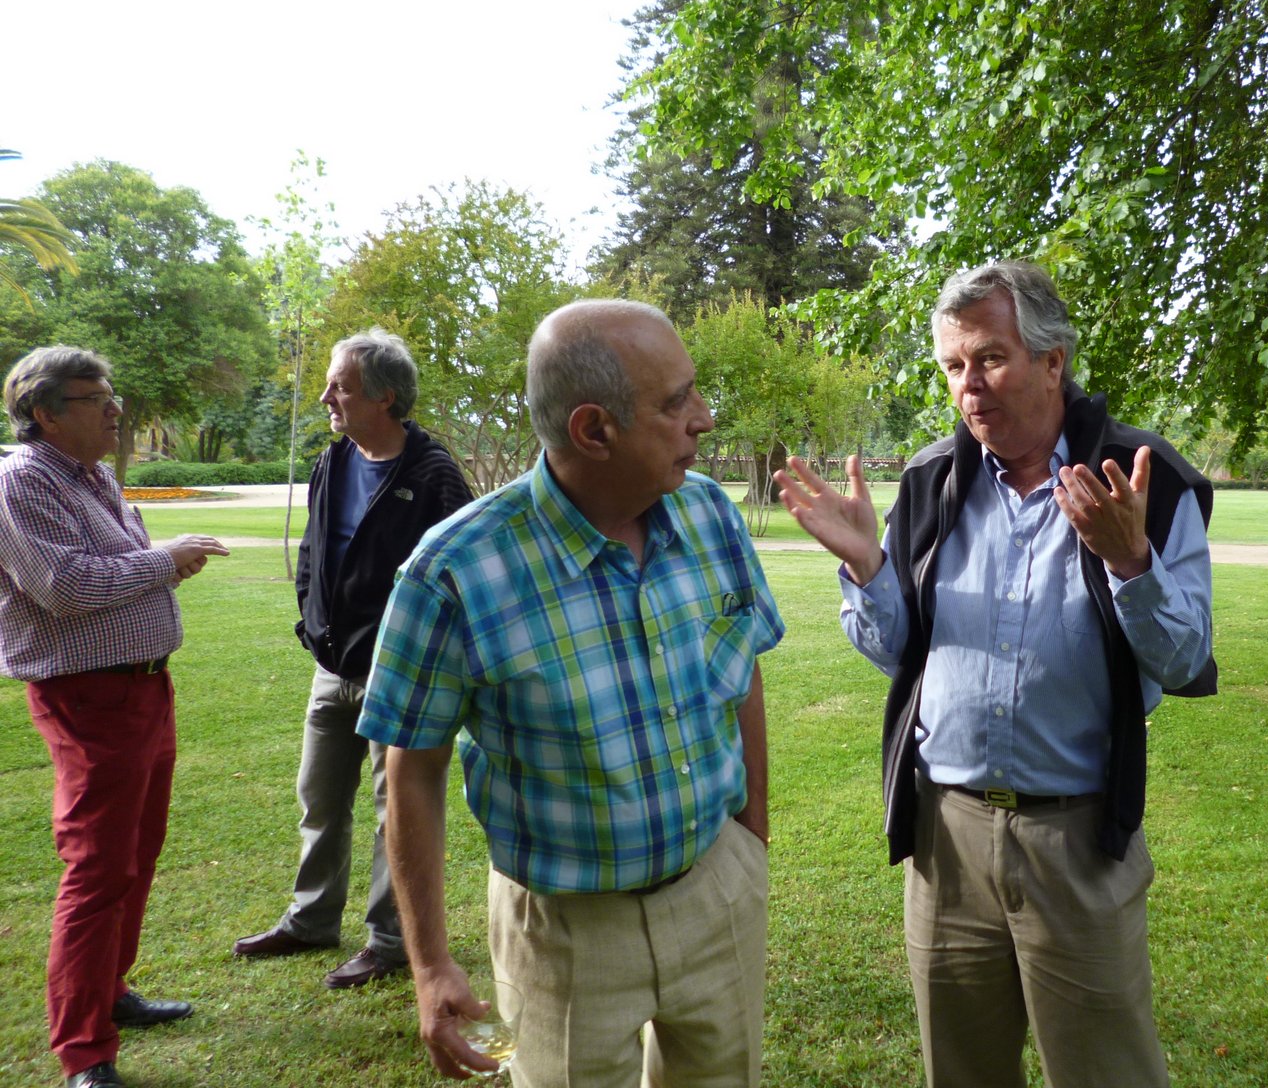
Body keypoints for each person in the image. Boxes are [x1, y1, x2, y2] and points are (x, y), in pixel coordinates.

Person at [773, 262, 1216, 1088]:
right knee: (962, 1072)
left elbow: (1185, 661)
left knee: (1107, 1072)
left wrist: (1131, 561)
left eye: (990, 358)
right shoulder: (930, 481)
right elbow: (895, 649)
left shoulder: (1142, 480)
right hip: (948, 841)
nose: (968, 386)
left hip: (1078, 841)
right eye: (952, 366)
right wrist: (870, 568)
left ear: (1053, 361)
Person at [357, 299, 783, 1086]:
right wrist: (428, 964)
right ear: (594, 430)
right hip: (563, 932)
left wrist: (748, 843)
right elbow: (409, 765)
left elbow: (745, 669)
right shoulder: (454, 569)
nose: (705, 418)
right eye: (675, 400)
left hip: (715, 892)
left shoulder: (711, 515)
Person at [0, 346, 231, 1088]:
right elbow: (62, 585)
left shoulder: (92, 476)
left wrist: (160, 567)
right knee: (98, 867)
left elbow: (108, 575)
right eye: (95, 399)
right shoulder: (20, 482)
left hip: (142, 690)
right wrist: (165, 561)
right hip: (87, 697)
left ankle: (111, 991)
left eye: (113, 395)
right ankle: (84, 1051)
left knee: (138, 851)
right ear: (45, 413)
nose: (114, 410)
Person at [233, 328, 473, 989]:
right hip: (331, 667)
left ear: (385, 397)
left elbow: (458, 572)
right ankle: (310, 920)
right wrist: (312, 623)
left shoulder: (433, 474)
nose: (326, 396)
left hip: (396, 672)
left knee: (395, 808)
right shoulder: (332, 463)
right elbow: (315, 549)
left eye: (340, 386)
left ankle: (391, 941)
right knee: (317, 798)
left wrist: (414, 652)